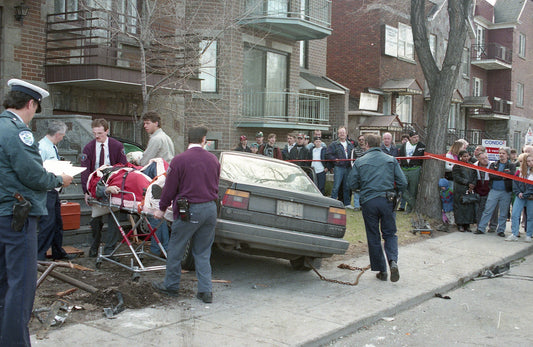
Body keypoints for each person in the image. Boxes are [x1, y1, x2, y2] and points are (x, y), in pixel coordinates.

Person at [0, 79, 73, 346]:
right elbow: (32, 174)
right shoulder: (19, 133)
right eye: (35, 109)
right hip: (16, 217)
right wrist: (59, 180)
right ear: (30, 104)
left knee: (3, 283)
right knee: (20, 285)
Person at [152, 126, 220, 304]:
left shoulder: (179, 160)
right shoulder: (214, 160)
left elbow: (170, 188)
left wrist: (161, 207)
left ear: (188, 140)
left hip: (189, 210)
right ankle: (206, 292)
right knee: (203, 252)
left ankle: (171, 286)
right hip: (210, 209)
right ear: (204, 140)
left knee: (176, 248)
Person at [348, 134, 407, 282]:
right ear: (379, 144)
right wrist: (397, 194)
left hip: (369, 201)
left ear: (367, 144)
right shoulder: (391, 160)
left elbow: (352, 184)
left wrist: (363, 188)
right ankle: (393, 261)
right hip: (388, 200)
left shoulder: (360, 161)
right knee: (390, 233)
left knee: (373, 236)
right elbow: (403, 182)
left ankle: (382, 270)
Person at [81, 118, 128, 257]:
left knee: (114, 218)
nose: (97, 136)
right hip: (95, 184)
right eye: (95, 133)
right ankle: (94, 245)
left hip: (113, 183)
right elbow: (85, 170)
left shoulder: (116, 146)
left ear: (107, 131)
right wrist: (86, 191)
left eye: (100, 133)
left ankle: (110, 249)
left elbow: (123, 167)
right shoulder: (89, 148)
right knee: (95, 218)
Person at [37, 120, 77, 261]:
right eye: (63, 135)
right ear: (58, 134)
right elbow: (40, 170)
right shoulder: (43, 147)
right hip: (46, 191)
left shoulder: (51, 147)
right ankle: (39, 254)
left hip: (53, 190)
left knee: (57, 223)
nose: (63, 138)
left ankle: (57, 251)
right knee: (47, 224)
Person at [140, 111, 175, 255]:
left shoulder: (156, 139)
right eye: (144, 123)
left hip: (156, 181)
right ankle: (160, 248)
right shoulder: (166, 137)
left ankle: (160, 248)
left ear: (156, 123)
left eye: (148, 123)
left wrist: (137, 163)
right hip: (166, 179)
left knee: (154, 215)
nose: (145, 126)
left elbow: (145, 161)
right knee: (159, 216)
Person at [475, 147, 516, 236]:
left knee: (503, 212)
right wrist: (503, 176)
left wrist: (500, 175)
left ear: (507, 155)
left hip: (506, 191)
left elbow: (511, 175)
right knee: (488, 209)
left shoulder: (511, 165)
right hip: (494, 190)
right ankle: (481, 228)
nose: (501, 155)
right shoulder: (494, 164)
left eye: (503, 153)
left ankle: (501, 230)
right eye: (500, 153)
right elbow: (492, 175)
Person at [506, 153, 533, 242]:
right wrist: (518, 193)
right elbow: (515, 182)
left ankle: (529, 234)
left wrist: (525, 194)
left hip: (530, 197)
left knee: (530, 216)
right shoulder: (519, 171)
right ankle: (514, 233)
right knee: (515, 214)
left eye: (531, 161)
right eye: (528, 161)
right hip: (520, 196)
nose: (530, 163)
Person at [398, 130, 426, 213]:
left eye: (417, 137)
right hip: (404, 169)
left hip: (415, 169)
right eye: (414, 137)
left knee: (413, 190)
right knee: (402, 187)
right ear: (410, 138)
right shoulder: (404, 146)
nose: (416, 139)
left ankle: (409, 209)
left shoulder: (422, 146)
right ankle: (413, 203)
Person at [327, 126, 354, 208]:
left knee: (347, 186)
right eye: (340, 133)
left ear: (346, 134)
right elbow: (328, 154)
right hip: (339, 167)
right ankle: (333, 202)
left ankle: (347, 203)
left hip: (348, 167)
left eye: (344, 133)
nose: (342, 134)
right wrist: (335, 159)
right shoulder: (334, 144)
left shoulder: (350, 144)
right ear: (338, 134)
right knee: (336, 186)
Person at [452, 150, 477, 232]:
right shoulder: (457, 166)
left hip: (469, 189)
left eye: (467, 156)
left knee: (469, 207)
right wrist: (467, 183)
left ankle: (467, 224)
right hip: (460, 189)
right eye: (464, 156)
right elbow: (457, 177)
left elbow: (475, 176)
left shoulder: (471, 166)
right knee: (460, 206)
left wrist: (472, 184)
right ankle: (460, 224)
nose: (466, 158)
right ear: (460, 157)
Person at [474, 152, 498, 231]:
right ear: (478, 159)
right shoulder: (474, 165)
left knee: (493, 208)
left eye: (486, 158)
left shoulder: (493, 165)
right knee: (479, 208)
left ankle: (493, 226)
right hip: (479, 188)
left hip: (490, 188)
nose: (485, 160)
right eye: (483, 158)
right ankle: (480, 225)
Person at [349, 134, 367, 210]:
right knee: (357, 189)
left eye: (363, 140)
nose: (361, 141)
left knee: (365, 189)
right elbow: (352, 162)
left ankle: (363, 205)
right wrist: (356, 170)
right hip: (357, 172)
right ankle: (356, 205)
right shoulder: (354, 150)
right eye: (360, 140)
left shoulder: (368, 150)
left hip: (366, 172)